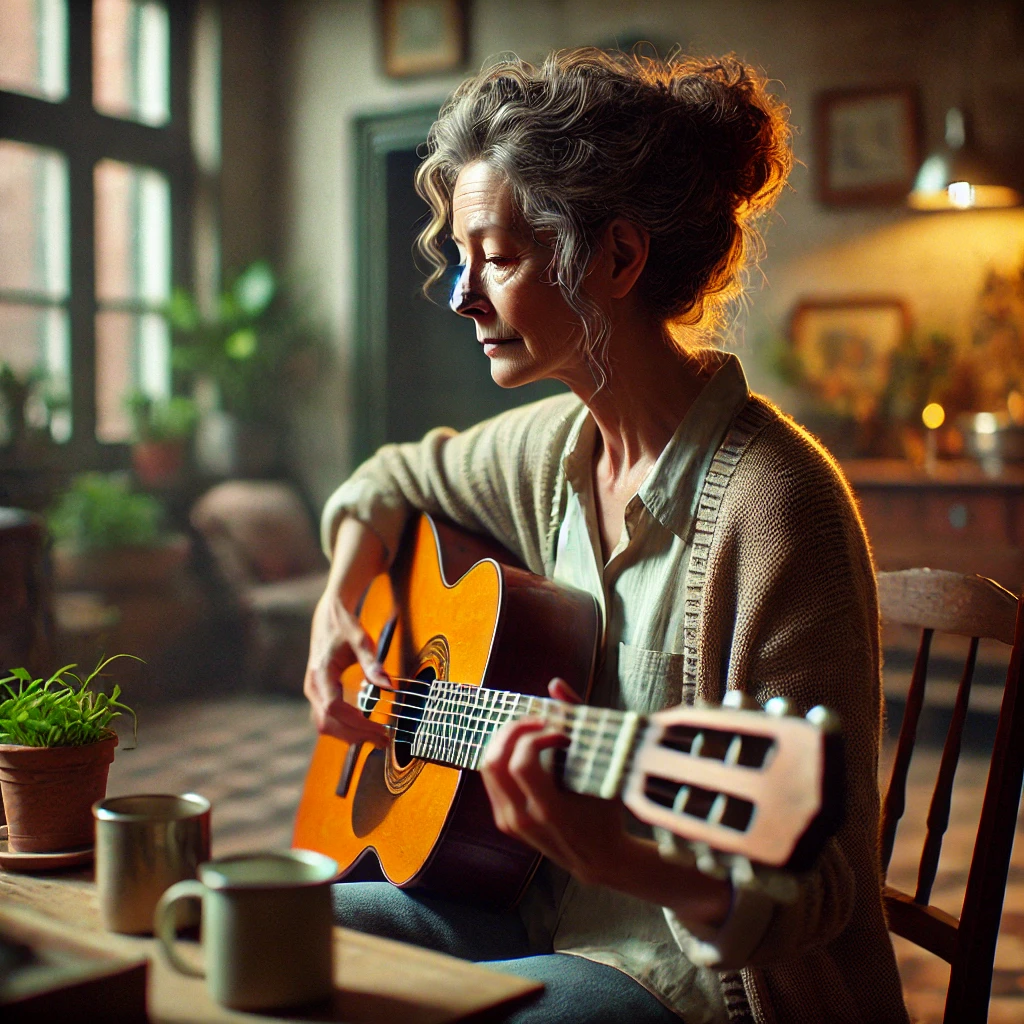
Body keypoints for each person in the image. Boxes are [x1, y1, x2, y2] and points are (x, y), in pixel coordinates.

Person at [305, 48, 909, 1024]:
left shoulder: (778, 505)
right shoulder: (555, 447)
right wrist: (340, 600)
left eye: (495, 257)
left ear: (617, 258)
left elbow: (821, 893)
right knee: (266, 934)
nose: (462, 296)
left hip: (704, 982)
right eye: (461, 259)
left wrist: (628, 859)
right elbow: (391, 476)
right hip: (528, 915)